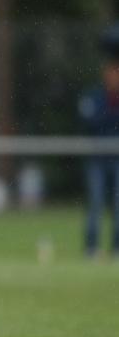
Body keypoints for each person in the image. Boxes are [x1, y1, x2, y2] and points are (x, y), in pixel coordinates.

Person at [78, 54, 119, 259]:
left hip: (117, 158)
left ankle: (116, 247)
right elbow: (89, 120)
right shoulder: (94, 96)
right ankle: (91, 247)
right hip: (97, 158)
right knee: (95, 202)